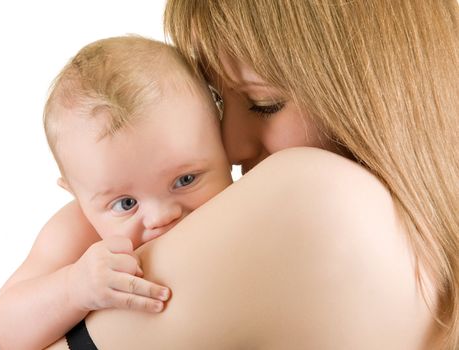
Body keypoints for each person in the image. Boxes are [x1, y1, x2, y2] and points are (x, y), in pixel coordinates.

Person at [24, 0, 459, 349]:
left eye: (263, 104)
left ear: (381, 91)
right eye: (218, 100)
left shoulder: (317, 196)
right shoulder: (427, 265)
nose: (229, 147)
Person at [0, 36, 233, 350]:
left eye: (185, 179)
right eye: (126, 203)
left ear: (225, 147)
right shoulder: (78, 232)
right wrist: (74, 289)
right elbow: (8, 329)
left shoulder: (246, 204)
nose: (162, 217)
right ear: (78, 197)